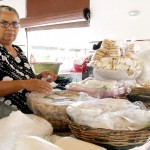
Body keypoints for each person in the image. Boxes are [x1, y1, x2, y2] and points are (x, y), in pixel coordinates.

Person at [0, 5, 57, 113]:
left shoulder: (18, 51)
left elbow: (21, 78)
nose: (11, 28)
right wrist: (25, 83)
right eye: (4, 23)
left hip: (29, 114)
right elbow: (23, 83)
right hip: (7, 119)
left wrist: (39, 77)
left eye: (15, 24)